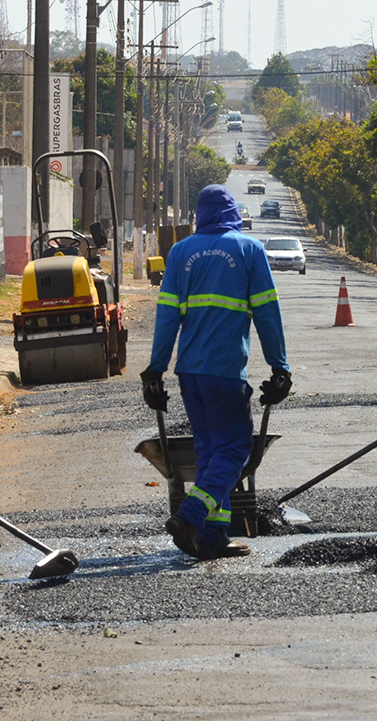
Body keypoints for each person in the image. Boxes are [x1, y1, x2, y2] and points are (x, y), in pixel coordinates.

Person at [141, 184, 292, 559]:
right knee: (237, 448)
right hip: (225, 371)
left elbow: (166, 316)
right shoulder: (248, 250)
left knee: (210, 453)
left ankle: (213, 536)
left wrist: (155, 370)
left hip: (189, 372)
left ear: (200, 214)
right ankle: (190, 516)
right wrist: (280, 367)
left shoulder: (180, 252)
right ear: (232, 214)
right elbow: (267, 314)